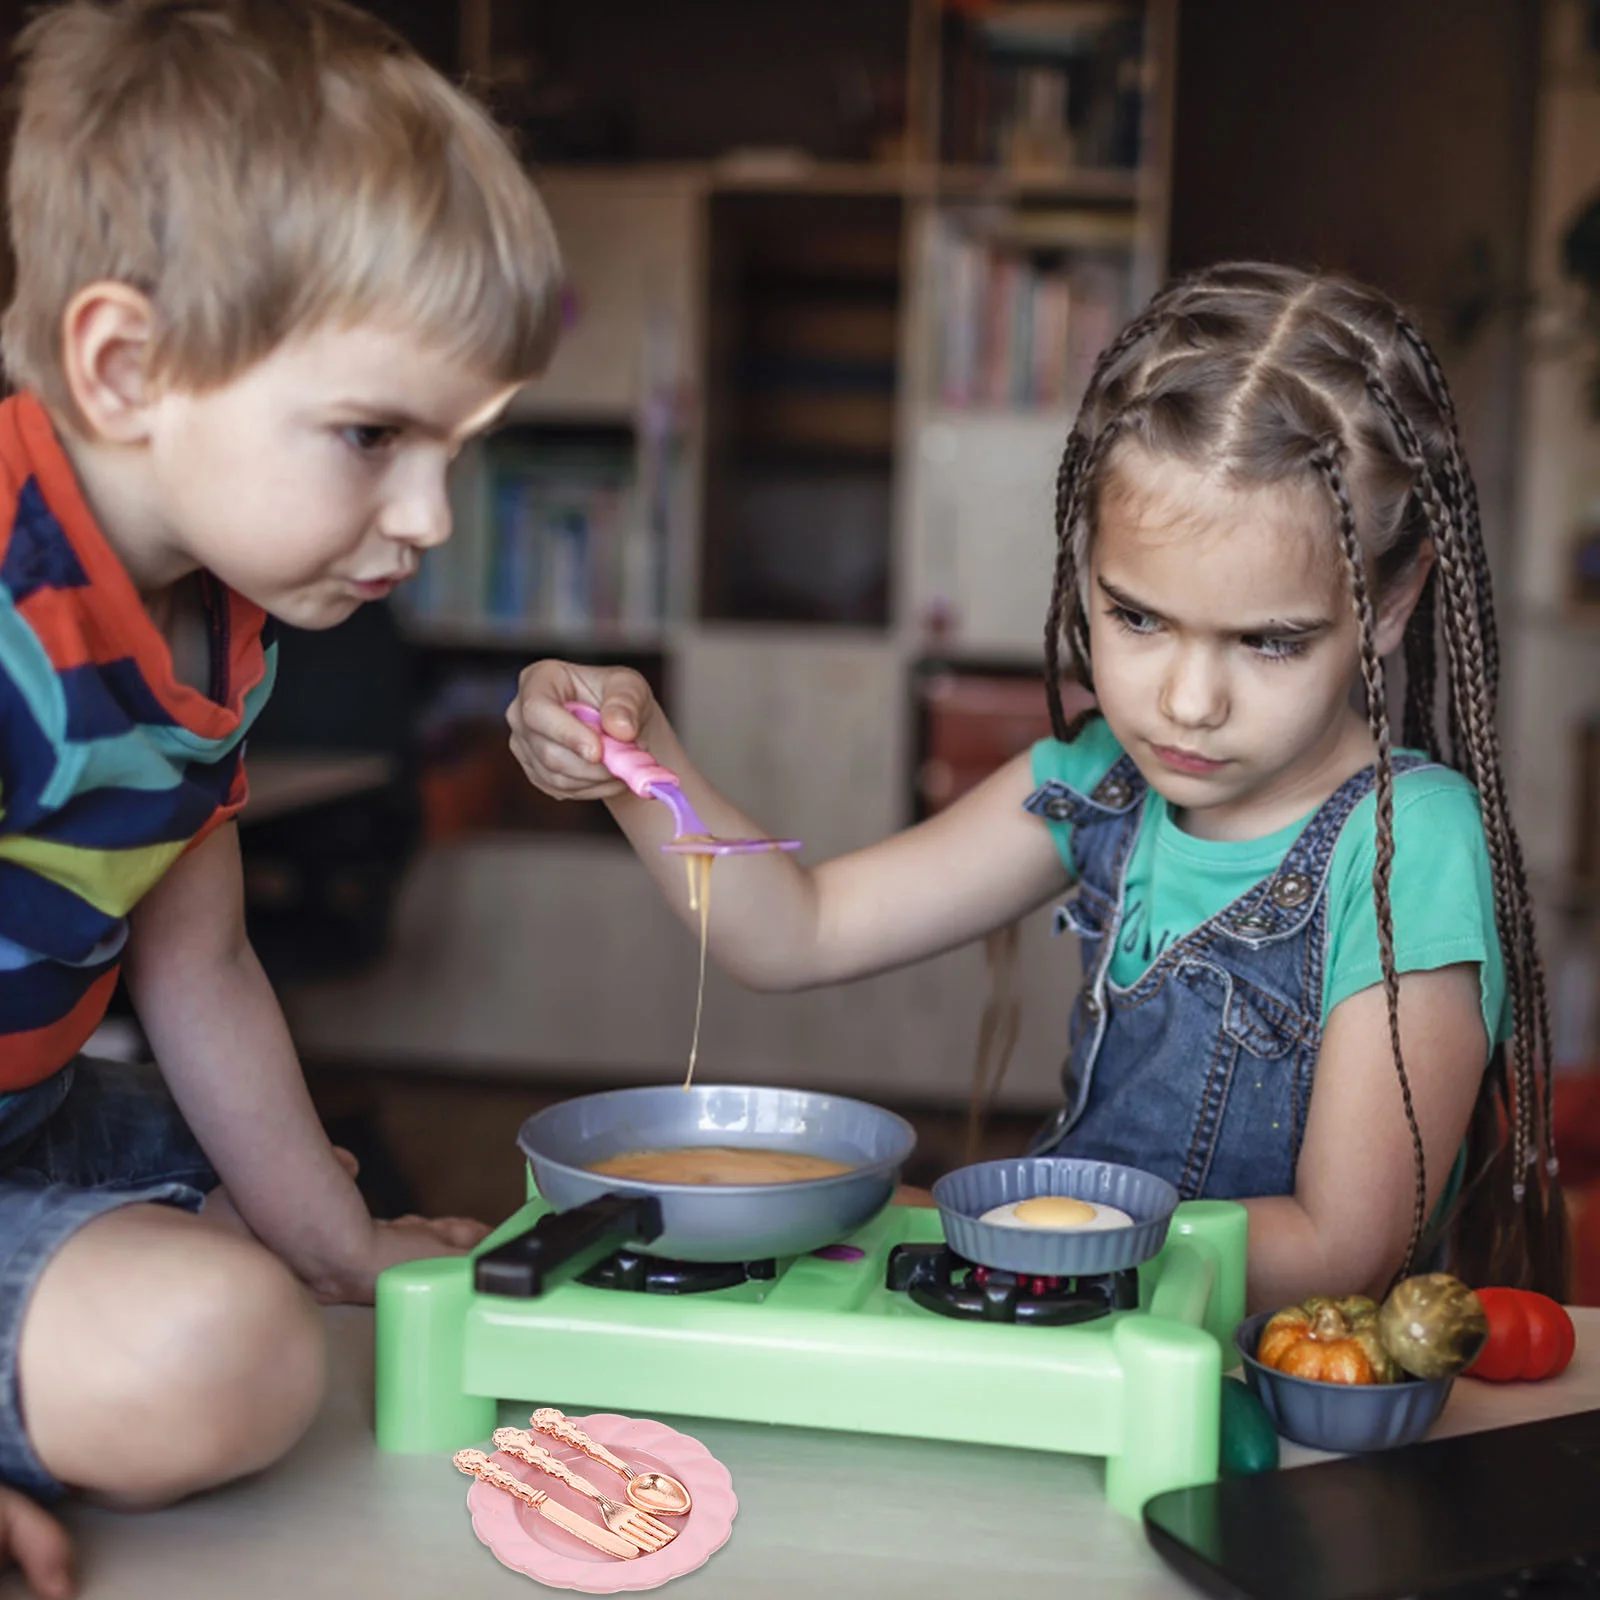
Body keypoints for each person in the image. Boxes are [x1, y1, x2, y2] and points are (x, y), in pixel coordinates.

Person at [509, 261, 1567, 1324]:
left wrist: (986, 1225)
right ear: (1086, 572)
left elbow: (1343, 1250)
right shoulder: (1093, 782)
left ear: (1388, 602)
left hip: (1255, 1401)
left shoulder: (1405, 844)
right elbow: (794, 931)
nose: (1188, 702)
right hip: (1058, 1335)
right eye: (1139, 619)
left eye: (1270, 641)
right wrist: (635, 763)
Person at [0, 2, 563, 1593]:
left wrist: (334, 1240)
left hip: (31, 1116)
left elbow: (199, 960)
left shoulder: (219, 623)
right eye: (373, 435)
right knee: (225, 1348)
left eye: (456, 448)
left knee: (322, 1234)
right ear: (126, 368)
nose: (432, 515)